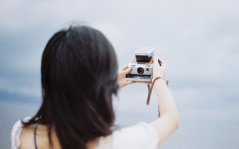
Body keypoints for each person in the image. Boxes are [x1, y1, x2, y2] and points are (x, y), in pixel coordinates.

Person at [11, 25, 179, 149]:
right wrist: (158, 77)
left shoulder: (22, 133)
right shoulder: (117, 143)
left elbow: (69, 103)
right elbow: (171, 118)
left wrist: (103, 88)